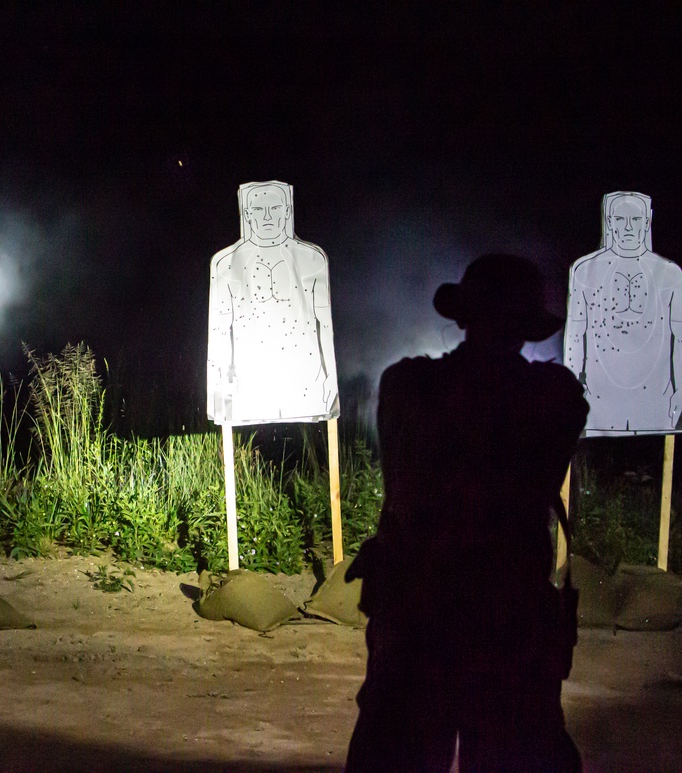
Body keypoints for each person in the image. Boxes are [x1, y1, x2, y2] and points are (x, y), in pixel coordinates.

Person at [345, 254, 588, 772]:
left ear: (463, 317)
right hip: (508, 624)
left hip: (420, 620)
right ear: (526, 327)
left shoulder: (407, 386)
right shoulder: (553, 397)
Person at [207, 180, 338, 425]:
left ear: (287, 211)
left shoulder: (312, 259)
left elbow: (326, 325)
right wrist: (220, 391)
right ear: (247, 213)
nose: (267, 216)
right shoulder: (225, 264)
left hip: (305, 381)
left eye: (275, 208)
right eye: (258, 209)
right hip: (252, 383)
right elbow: (219, 330)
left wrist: (330, 378)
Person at [565, 191, 682, 435]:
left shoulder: (670, 275)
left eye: (636, 220)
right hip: (600, 398)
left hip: (655, 397)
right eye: (620, 219)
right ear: (609, 221)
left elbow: (679, 337)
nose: (628, 227)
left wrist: (680, 388)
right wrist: (573, 387)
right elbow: (576, 336)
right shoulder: (584, 271)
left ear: (647, 222)